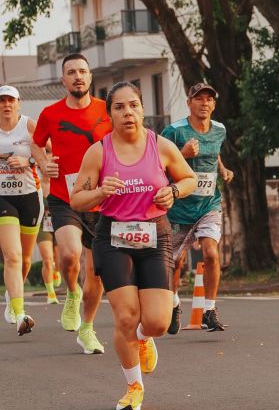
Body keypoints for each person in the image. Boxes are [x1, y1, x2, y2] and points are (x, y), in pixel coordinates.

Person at [70, 81, 197, 410]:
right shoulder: (99, 151)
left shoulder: (161, 146)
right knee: (125, 317)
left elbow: (189, 178)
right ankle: (134, 388)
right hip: (113, 237)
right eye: (119, 107)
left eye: (134, 105)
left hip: (155, 235)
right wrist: (99, 193)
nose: (128, 112)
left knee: (157, 321)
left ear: (142, 109)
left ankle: (143, 339)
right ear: (110, 113)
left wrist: (175, 191)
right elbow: (77, 199)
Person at [31, 53, 111, 354]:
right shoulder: (50, 114)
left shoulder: (108, 111)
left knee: (97, 271)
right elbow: (36, 143)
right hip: (65, 198)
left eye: (82, 71)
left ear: (90, 77)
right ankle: (72, 293)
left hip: (102, 199)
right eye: (71, 72)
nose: (77, 76)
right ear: (63, 79)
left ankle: (87, 329)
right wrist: (43, 164)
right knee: (69, 254)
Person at [161, 82, 233, 335]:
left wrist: (221, 168)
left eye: (209, 100)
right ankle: (174, 304)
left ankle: (209, 310)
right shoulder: (173, 131)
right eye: (199, 99)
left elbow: (215, 153)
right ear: (189, 102)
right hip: (179, 208)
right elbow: (159, 165)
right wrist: (184, 153)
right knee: (174, 263)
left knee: (211, 253)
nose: (204, 103)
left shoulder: (220, 130)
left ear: (214, 104)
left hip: (208, 204)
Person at [0, 84, 42, 335]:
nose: (6, 105)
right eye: (2, 100)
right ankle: (19, 312)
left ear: (19, 103)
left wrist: (29, 160)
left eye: (10, 100)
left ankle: (11, 296)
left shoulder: (29, 125)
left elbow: (50, 152)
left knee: (25, 258)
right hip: (2, 198)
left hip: (29, 196)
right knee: (12, 256)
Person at [37, 163, 61, 304]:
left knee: (59, 260)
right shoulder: (36, 183)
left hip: (58, 223)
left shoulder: (60, 183)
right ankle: (51, 293)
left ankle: (57, 270)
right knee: (47, 258)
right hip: (42, 225)